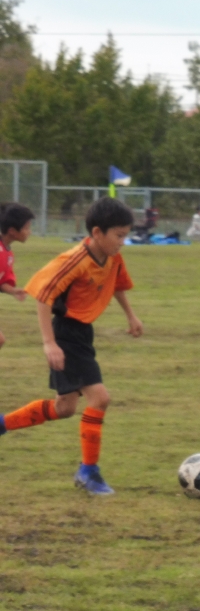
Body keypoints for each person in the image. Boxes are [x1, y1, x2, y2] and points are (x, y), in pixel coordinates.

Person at [0, 198, 142, 496]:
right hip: (66, 334)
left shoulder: (113, 257)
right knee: (100, 398)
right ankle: (88, 472)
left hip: (82, 334)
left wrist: (131, 316)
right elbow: (43, 297)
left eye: (125, 235)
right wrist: (49, 343)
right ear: (97, 232)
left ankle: (2, 424)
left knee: (64, 408)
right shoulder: (75, 260)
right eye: (119, 235)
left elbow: (117, 285)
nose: (123, 242)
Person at [0, 202, 34, 352]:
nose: (29, 232)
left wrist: (14, 291)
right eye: (26, 228)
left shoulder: (8, 254)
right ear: (12, 231)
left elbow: (2, 282)